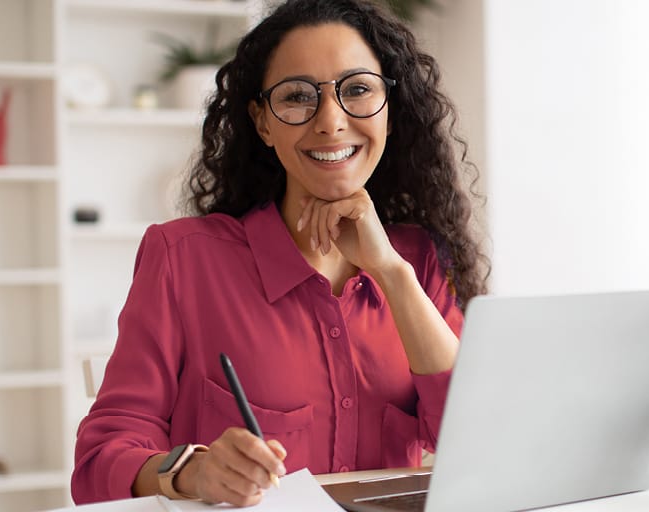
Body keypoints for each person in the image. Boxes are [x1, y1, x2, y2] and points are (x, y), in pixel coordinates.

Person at [71, 0, 487, 506]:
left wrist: (393, 274)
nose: (331, 122)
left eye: (357, 90)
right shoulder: (183, 258)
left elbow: (478, 442)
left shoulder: (418, 259)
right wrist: (192, 471)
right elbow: (100, 460)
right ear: (263, 123)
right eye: (297, 97)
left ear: (390, 112)